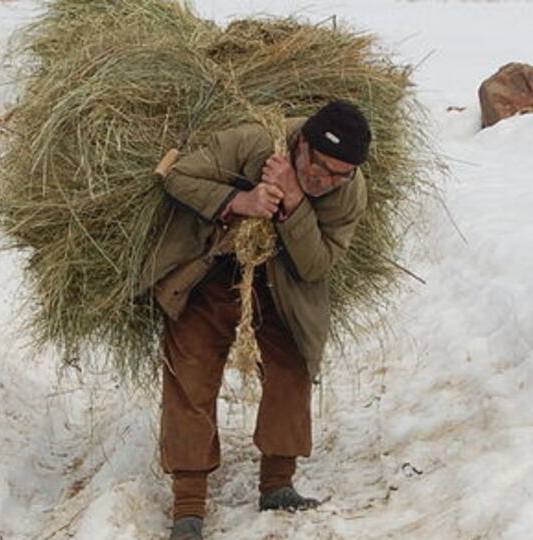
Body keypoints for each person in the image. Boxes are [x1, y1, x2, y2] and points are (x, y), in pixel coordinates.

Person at [139, 100, 371, 540]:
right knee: (190, 374)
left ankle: (278, 484)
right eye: (321, 168)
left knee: (292, 369)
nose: (329, 182)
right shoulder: (255, 140)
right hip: (211, 268)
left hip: (284, 281)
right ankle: (188, 503)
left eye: (342, 174)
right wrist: (240, 200)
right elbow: (178, 174)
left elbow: (317, 264)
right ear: (301, 144)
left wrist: (297, 201)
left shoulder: (350, 191)